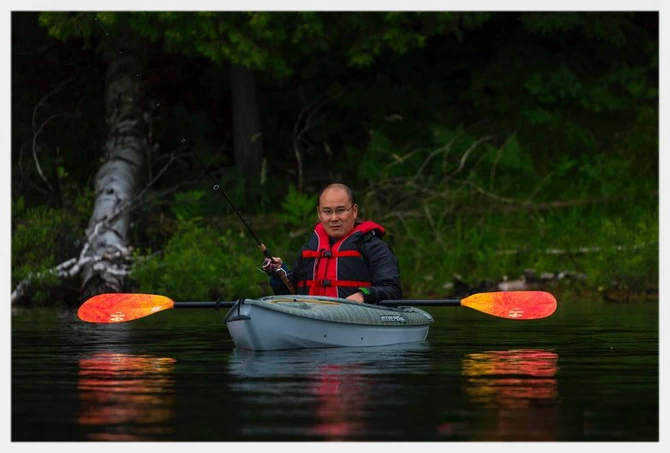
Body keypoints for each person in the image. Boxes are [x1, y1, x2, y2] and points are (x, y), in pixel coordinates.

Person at [262, 183, 402, 304]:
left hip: (354, 320)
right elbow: (292, 293)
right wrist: (278, 272)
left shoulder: (375, 248)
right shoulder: (309, 249)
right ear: (319, 213)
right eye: (327, 212)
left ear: (354, 211)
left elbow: (392, 290)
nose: (334, 218)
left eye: (340, 210)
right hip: (312, 319)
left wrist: (363, 295)